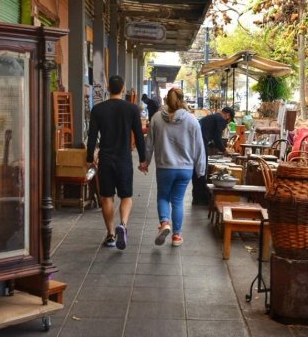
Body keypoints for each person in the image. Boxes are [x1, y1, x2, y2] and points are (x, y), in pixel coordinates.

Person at [139, 88, 205, 247]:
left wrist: (145, 162)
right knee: (178, 200)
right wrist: (200, 168)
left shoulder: (156, 118)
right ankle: (176, 236)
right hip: (185, 169)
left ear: (166, 100)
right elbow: (199, 146)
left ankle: (164, 223)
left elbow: (149, 144)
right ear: (183, 100)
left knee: (163, 197)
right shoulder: (192, 120)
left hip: (165, 167)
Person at [86, 75, 145, 250]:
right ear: (123, 88)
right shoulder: (132, 109)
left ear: (107, 88)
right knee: (126, 196)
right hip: (123, 158)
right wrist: (143, 159)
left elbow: (91, 137)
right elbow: (139, 136)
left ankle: (111, 234)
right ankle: (123, 225)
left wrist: (89, 159)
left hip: (105, 159)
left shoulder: (98, 109)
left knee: (106, 197)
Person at [191, 106, 235, 206]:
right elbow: (217, 138)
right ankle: (201, 198)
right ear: (228, 115)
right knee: (202, 170)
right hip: (200, 144)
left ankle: (197, 198)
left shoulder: (213, 117)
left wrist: (217, 146)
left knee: (198, 170)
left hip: (196, 143)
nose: (228, 123)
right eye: (229, 120)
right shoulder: (221, 119)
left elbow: (211, 137)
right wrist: (224, 150)